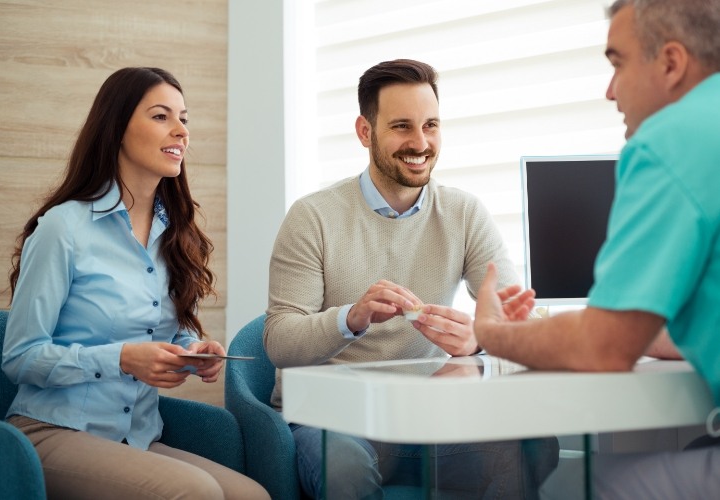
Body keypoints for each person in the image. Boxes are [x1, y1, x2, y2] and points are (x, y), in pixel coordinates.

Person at [265, 59, 558, 499]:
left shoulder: (463, 213)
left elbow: (521, 317)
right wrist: (352, 318)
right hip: (338, 420)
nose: (420, 143)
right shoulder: (313, 217)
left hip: (425, 420)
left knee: (533, 447)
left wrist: (481, 339)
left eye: (431, 125)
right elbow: (279, 342)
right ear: (365, 132)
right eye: (402, 126)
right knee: (345, 469)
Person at [472, 0, 720, 498]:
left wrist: (492, 333)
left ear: (671, 63)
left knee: (569, 483)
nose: (610, 91)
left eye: (618, 64)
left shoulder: (670, 141)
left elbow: (604, 348)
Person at [2, 67, 269, 500]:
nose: (181, 130)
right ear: (118, 128)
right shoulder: (63, 228)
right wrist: (123, 359)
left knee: (252, 495)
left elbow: (174, 331)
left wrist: (191, 351)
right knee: (196, 493)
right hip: (50, 432)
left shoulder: (177, 234)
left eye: (184, 118)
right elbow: (20, 357)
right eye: (161, 116)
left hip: (136, 437)